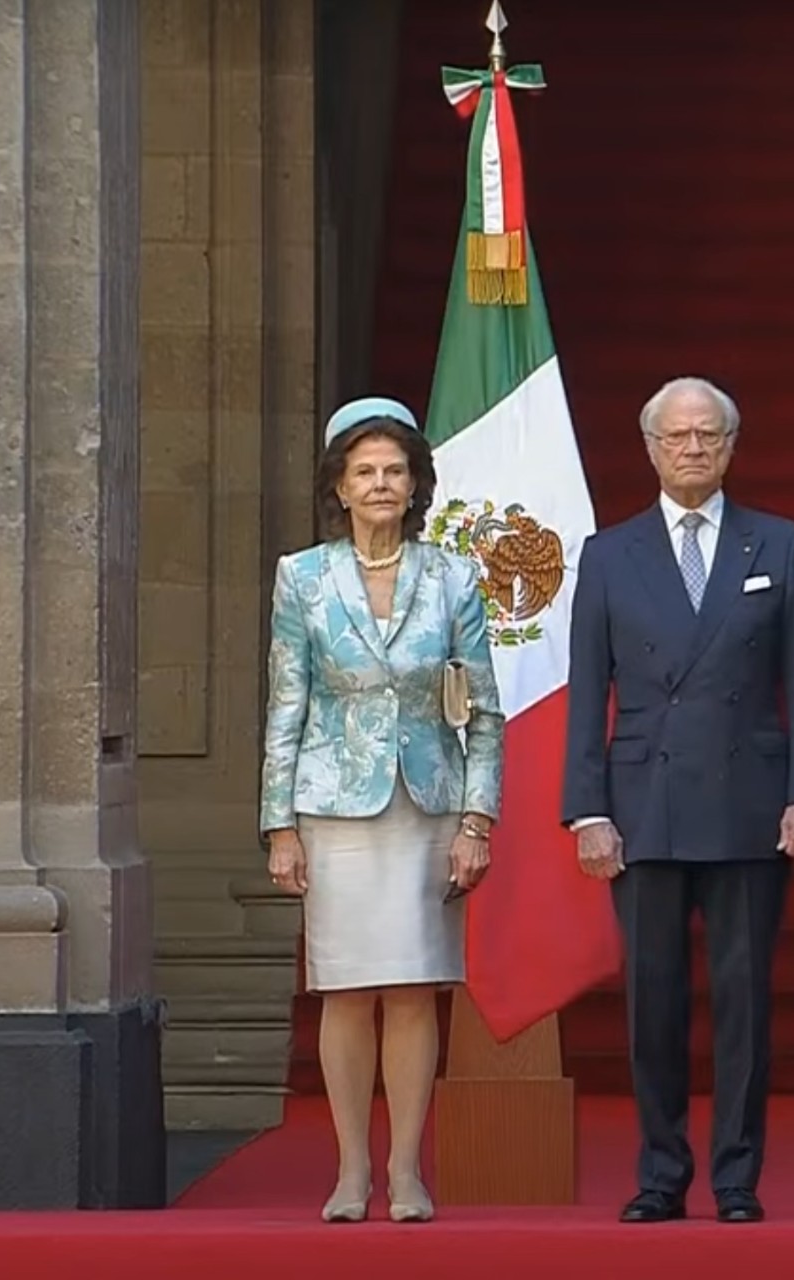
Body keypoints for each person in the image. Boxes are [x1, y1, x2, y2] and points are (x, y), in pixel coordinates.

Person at [562, 376, 794, 1225]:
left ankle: (738, 1176)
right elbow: (585, 695)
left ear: (730, 447)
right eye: (676, 437)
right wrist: (587, 809)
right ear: (649, 448)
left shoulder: (778, 545)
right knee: (653, 1003)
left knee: (744, 1003)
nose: (692, 449)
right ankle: (660, 1172)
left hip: (749, 802)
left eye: (707, 436)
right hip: (643, 804)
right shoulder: (609, 554)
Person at [260, 396, 505, 1224]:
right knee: (345, 989)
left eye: (394, 470)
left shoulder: (452, 576)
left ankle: (405, 1171)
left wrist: (478, 820)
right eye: (363, 471)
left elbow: (483, 708)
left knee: (411, 988)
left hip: (426, 804)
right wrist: (279, 825)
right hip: (332, 806)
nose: (379, 484)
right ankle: (350, 1171)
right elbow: (286, 704)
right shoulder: (301, 576)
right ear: (338, 484)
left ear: (415, 484)